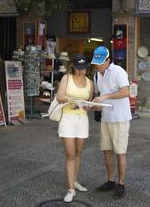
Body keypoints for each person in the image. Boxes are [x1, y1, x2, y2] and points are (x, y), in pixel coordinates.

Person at [91, 46, 132, 199]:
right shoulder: (97, 75)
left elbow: (126, 91)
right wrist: (90, 105)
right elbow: (98, 97)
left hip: (120, 118)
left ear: (108, 60)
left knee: (120, 151)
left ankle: (121, 184)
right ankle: (110, 181)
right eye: (96, 62)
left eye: (100, 62)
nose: (98, 65)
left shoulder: (118, 71)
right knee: (106, 151)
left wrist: (106, 97)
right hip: (106, 118)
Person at [56, 54, 94, 203]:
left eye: (83, 68)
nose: (81, 71)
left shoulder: (90, 83)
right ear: (74, 67)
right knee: (70, 154)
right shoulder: (67, 78)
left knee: (78, 153)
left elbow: (89, 104)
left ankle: (75, 181)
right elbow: (59, 96)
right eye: (78, 68)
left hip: (82, 119)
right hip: (68, 119)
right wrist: (72, 100)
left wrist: (87, 106)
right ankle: (70, 189)